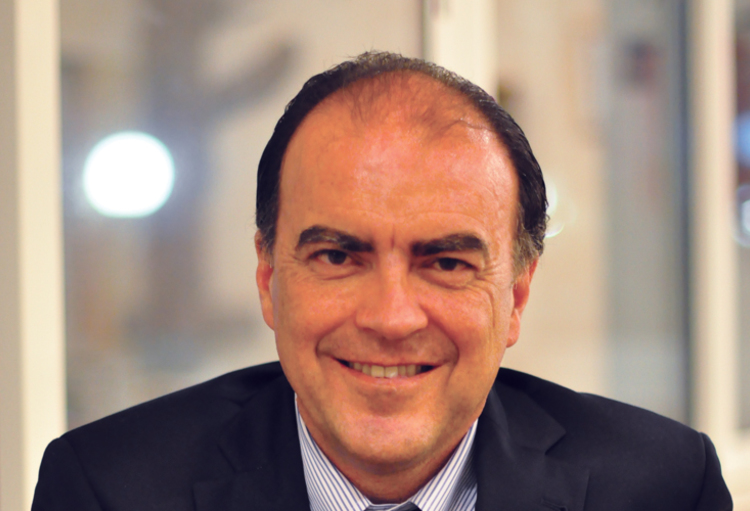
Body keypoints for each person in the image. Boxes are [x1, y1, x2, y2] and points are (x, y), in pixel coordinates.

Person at [32, 52, 732, 511]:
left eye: (447, 263)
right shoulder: (108, 490)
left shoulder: (662, 488)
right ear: (268, 277)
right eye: (339, 257)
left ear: (516, 296)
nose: (392, 317)